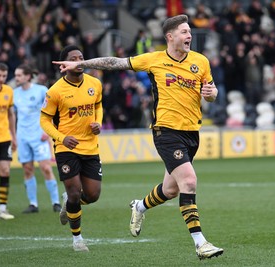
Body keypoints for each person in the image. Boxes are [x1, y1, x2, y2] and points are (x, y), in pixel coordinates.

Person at [53, 14, 224, 260]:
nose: (189, 36)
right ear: (170, 37)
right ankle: (200, 243)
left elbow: (211, 93)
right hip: (166, 131)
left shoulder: (200, 61)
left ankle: (139, 206)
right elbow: (115, 62)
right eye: (185, 32)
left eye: (189, 32)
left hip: (191, 133)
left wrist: (211, 93)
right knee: (189, 181)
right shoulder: (153, 60)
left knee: (171, 189)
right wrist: (82, 64)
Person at [40, 45, 103, 251]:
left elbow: (98, 105)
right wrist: (62, 137)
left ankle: (69, 204)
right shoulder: (55, 91)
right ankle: (77, 239)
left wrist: (98, 123)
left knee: (92, 195)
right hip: (66, 147)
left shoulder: (95, 84)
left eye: (81, 57)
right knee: (75, 192)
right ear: (65, 65)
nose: (79, 61)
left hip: (90, 146)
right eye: (74, 58)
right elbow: (45, 120)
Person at [13, 63, 61, 214]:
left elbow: (51, 111)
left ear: (28, 76)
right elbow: (11, 114)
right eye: (16, 75)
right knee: (27, 170)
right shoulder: (14, 93)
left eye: (19, 75)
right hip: (23, 136)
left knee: (46, 168)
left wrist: (48, 130)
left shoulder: (41, 91)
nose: (16, 78)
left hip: (39, 135)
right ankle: (33, 204)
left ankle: (56, 202)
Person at [0, 62, 17, 220]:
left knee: (5, 170)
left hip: (4, 137)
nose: (1, 79)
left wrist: (14, 136)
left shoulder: (9, 91)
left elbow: (10, 114)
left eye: (4, 76)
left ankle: (3, 209)